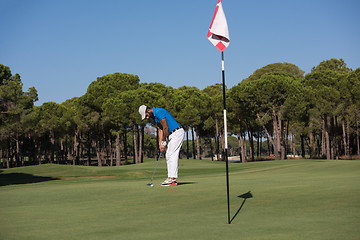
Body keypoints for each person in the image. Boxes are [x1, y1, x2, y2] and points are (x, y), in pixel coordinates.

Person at [139, 105, 185, 186]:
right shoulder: (155, 117)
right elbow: (160, 129)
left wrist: (164, 141)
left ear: (148, 110)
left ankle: (172, 179)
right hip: (172, 135)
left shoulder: (159, 112)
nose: (147, 117)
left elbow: (165, 128)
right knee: (168, 155)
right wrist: (160, 143)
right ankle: (171, 178)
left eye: (146, 115)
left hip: (177, 133)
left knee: (171, 154)